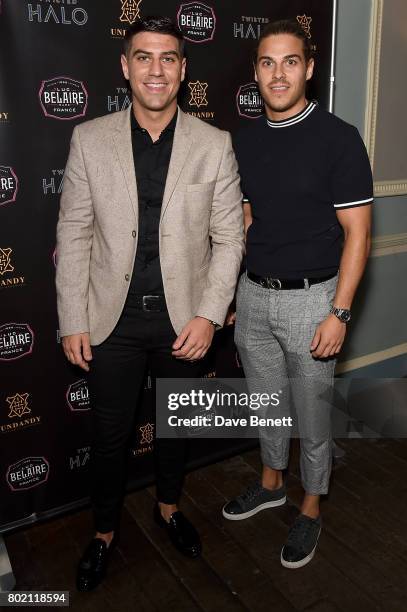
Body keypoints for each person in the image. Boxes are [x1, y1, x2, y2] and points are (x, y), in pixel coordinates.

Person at [56, 16, 244, 591]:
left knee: (175, 427)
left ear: (183, 70)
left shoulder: (215, 145)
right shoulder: (89, 139)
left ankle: (168, 507)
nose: (155, 69)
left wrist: (210, 315)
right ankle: (104, 533)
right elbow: (74, 232)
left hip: (183, 320)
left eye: (168, 58)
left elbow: (230, 238)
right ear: (126, 67)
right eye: (144, 57)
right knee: (110, 436)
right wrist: (73, 319)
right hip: (110, 320)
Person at [222, 19, 373, 569]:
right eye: (267, 63)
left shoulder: (339, 138)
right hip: (253, 295)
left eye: (290, 62)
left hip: (314, 299)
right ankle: (270, 483)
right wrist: (233, 290)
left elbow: (358, 232)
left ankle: (311, 504)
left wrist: (339, 312)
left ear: (309, 69)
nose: (278, 73)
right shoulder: (243, 140)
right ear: (256, 73)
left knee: (310, 415)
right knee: (267, 405)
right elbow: (244, 216)